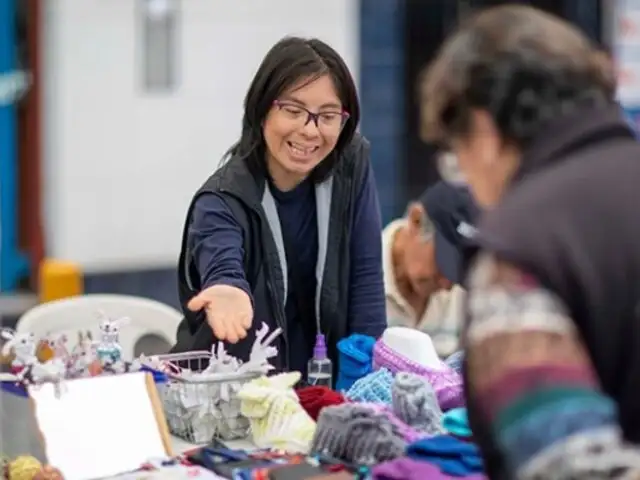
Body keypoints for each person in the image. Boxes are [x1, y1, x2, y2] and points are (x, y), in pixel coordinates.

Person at [421, 5, 640, 479]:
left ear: (481, 130)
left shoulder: (522, 250)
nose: (471, 188)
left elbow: (569, 469)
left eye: (455, 157)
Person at [172, 37, 387, 374]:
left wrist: (368, 381)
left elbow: (366, 281)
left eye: (327, 115)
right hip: (236, 396)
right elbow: (221, 258)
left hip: (320, 387)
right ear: (262, 111)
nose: (309, 130)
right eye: (293, 110)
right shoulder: (222, 198)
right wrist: (228, 286)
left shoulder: (350, 165)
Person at [382, 179, 479, 357]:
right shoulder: (356, 278)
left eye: (458, 272)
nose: (447, 284)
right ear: (416, 221)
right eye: (443, 262)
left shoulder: (460, 297)